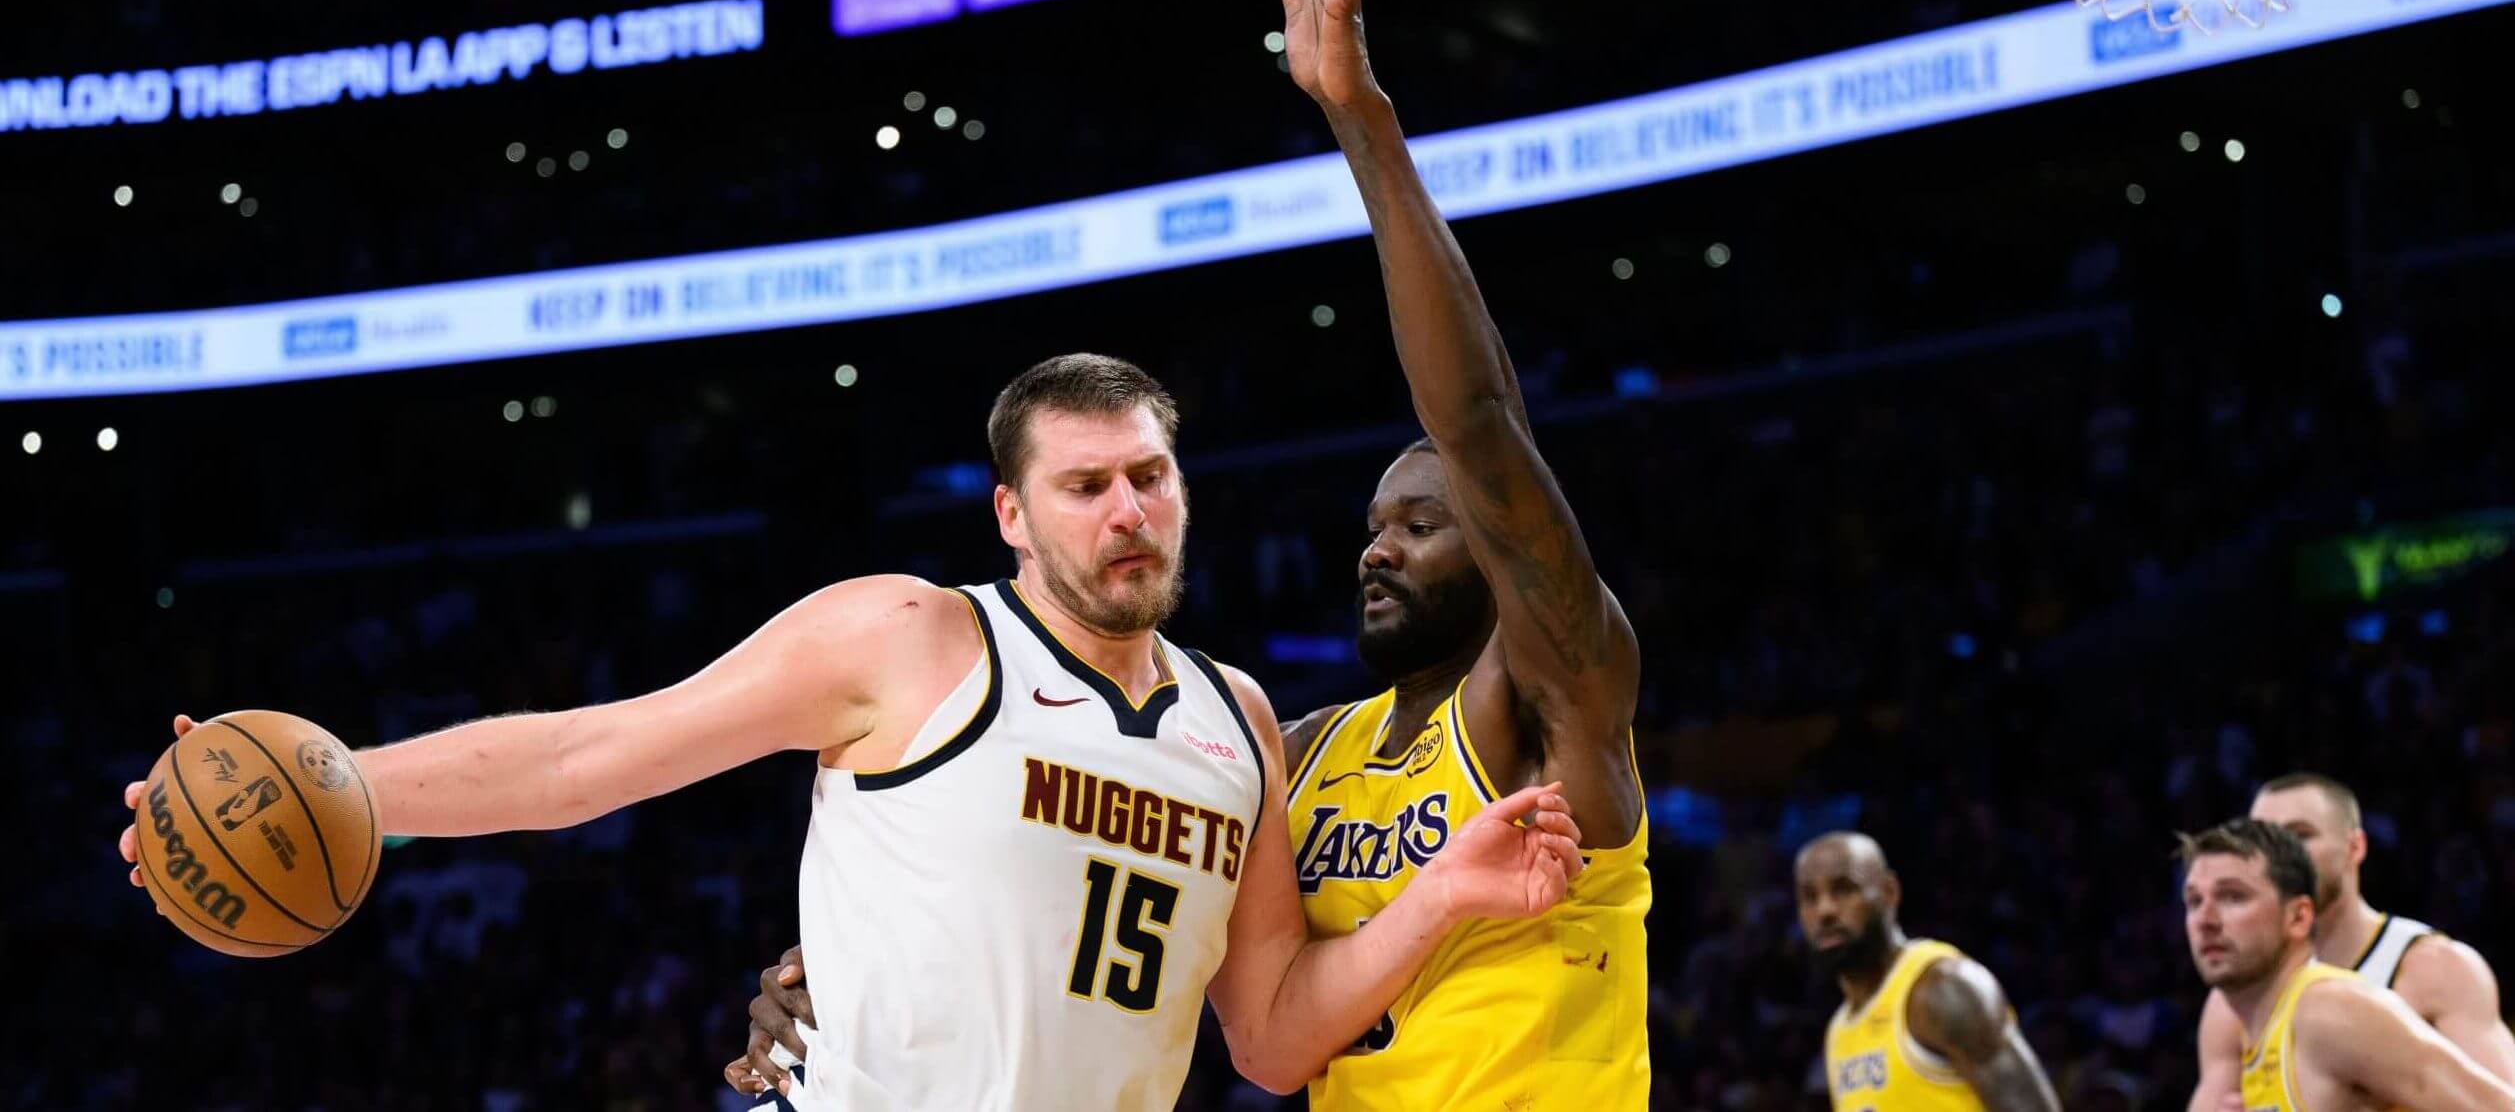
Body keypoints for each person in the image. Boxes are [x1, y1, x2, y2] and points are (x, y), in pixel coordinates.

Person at [730, 0, 1654, 1107]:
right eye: (1373, 526)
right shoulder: (1293, 753)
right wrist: (853, 971)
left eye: (1423, 525)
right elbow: (1094, 914)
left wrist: (1360, 120)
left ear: (1499, 551)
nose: (1376, 550)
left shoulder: (1559, 702)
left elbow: (1482, 428)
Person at [119, 352, 1588, 1111]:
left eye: (1148, 475)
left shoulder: (1239, 720)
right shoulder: (908, 635)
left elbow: (1267, 1034)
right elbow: (588, 756)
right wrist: (337, 788)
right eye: (1084, 486)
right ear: (1011, 516)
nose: (1129, 510)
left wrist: (1443, 895)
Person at [2189, 773, 2515, 1110]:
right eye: (2262, 842)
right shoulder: (2235, 999)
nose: (2278, 857)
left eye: (2298, 836)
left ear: (2354, 846)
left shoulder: (2436, 969)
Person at [1794, 832, 2061, 1112]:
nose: (1824, 910)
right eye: (1809, 898)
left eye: (1844, 890)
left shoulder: (1943, 988)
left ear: (1889, 892)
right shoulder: (1839, 1031)